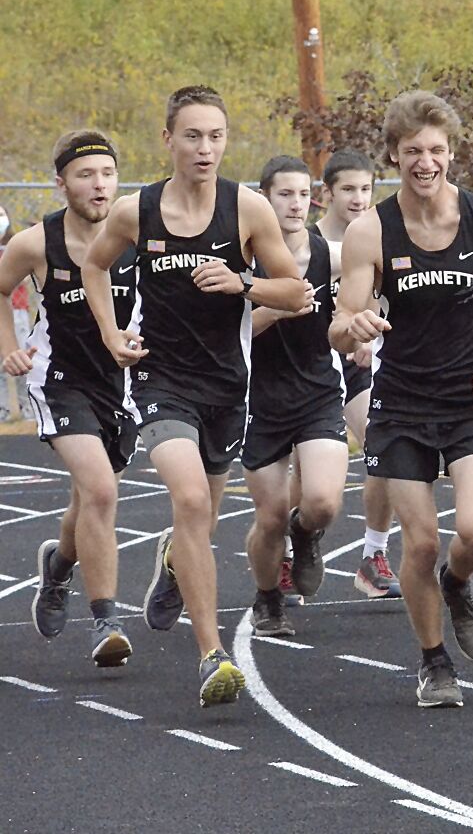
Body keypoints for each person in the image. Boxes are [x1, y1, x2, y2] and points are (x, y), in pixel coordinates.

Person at [81, 86, 312, 707]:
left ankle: (174, 557)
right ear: (168, 141)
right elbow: (94, 267)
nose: (204, 148)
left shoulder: (249, 210)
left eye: (214, 137)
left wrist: (244, 282)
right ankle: (213, 654)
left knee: (199, 517)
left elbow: (298, 293)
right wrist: (110, 333)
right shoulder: (138, 212)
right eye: (191, 136)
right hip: (161, 380)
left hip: (226, 387)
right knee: (188, 499)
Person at [331, 91, 473, 707]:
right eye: (413, 151)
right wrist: (358, 326)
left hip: (471, 398)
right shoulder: (372, 231)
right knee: (418, 541)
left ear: (452, 154)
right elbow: (341, 322)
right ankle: (433, 661)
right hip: (400, 405)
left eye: (437, 151)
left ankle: (458, 582)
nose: (426, 162)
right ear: (393, 155)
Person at [0, 130, 137, 668]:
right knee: (101, 492)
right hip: (58, 380)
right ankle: (107, 621)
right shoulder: (36, 243)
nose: (99, 185)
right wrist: (10, 347)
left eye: (107, 173)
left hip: (122, 385)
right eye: (85, 175)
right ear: (61, 184)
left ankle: (57, 568)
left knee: (87, 502)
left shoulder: (138, 233)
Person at [242, 156, 349, 637]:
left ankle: (305, 535)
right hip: (258, 399)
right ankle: (268, 601)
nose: (295, 204)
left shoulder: (332, 255)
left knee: (323, 501)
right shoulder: (245, 260)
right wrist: (281, 307)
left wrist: (362, 327)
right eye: (285, 194)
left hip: (317, 391)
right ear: (264, 197)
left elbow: (374, 287)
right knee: (268, 518)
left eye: (304, 194)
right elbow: (234, 333)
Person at [311, 147, 401, 599]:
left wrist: (367, 337)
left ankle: (372, 555)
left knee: (382, 447)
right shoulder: (307, 242)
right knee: (305, 482)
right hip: (305, 370)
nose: (358, 198)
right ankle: (295, 548)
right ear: (325, 193)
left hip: (355, 370)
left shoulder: (375, 239)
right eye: (348, 189)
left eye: (366, 189)